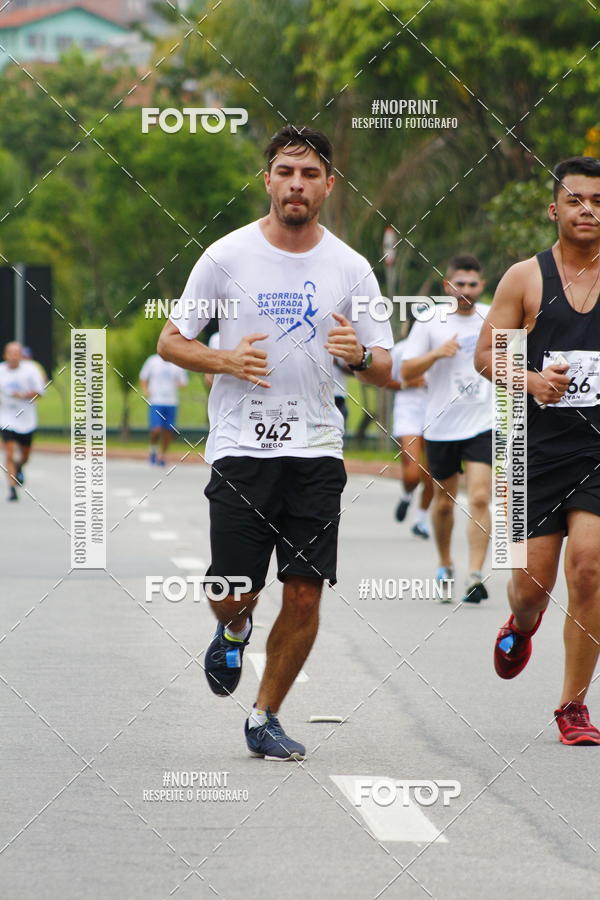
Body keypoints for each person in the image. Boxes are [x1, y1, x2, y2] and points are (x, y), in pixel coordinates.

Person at [158, 125, 393, 760]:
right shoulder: (225, 257)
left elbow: (386, 365)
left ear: (328, 186)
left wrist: (361, 353)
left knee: (306, 589)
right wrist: (224, 360)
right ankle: (234, 627)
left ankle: (265, 716)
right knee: (232, 586)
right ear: (268, 179)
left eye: (310, 174)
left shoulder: (351, 266)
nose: (297, 184)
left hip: (317, 450)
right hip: (241, 446)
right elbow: (171, 342)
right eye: (286, 172)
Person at [475, 156, 600, 745]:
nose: (588, 211)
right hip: (536, 450)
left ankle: (573, 707)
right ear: (555, 209)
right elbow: (484, 357)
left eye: (598, 202)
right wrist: (528, 380)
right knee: (532, 585)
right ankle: (522, 625)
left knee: (590, 568)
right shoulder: (525, 277)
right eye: (577, 200)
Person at [402, 255, 492, 603]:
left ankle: (474, 575)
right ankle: (444, 562)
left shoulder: (492, 316)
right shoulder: (430, 320)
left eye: (472, 284)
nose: (466, 291)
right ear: (447, 286)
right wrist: (437, 354)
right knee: (443, 504)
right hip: (441, 425)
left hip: (482, 422)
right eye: (460, 284)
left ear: (481, 286)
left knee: (481, 496)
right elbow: (407, 371)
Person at [387, 336, 432, 537]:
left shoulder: (443, 349)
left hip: (436, 414)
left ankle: (420, 520)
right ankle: (407, 495)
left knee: (432, 476)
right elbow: (385, 380)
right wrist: (408, 384)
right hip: (408, 413)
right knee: (413, 473)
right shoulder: (400, 351)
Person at [0, 341, 46, 501]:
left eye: (16, 353)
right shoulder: (1, 371)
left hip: (27, 419)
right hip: (6, 417)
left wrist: (24, 395)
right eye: (10, 353)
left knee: (25, 456)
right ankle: (12, 489)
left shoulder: (31, 370)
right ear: (5, 355)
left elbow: (40, 393)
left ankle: (20, 466)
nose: (13, 356)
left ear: (21, 356)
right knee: (9, 451)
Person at [139, 353, 188, 465]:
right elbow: (143, 377)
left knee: (168, 431)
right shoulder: (152, 361)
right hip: (156, 401)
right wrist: (145, 390)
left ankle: (163, 455)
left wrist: (178, 383)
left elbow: (184, 382)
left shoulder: (177, 362)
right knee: (156, 429)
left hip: (171, 401)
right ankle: (152, 450)